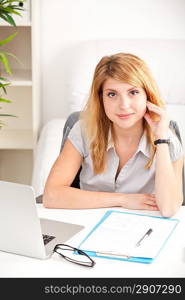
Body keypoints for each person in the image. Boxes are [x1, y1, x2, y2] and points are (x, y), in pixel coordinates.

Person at [43, 53, 184, 217]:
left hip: (141, 228)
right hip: (88, 224)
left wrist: (161, 140)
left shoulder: (167, 139)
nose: (123, 105)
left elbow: (168, 209)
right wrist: (123, 199)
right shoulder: (84, 130)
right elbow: (51, 196)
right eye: (112, 94)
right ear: (101, 99)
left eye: (133, 92)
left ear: (148, 95)